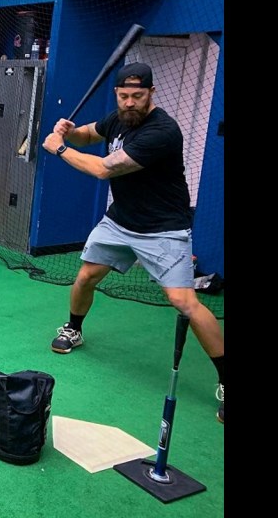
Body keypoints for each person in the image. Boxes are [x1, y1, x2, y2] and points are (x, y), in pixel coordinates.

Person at [41, 62, 225, 423]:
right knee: (85, 277)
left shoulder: (162, 132)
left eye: (137, 96)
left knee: (183, 301)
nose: (129, 103)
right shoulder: (118, 117)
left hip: (163, 228)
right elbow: (88, 136)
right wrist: (69, 131)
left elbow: (104, 169)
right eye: (124, 96)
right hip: (120, 221)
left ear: (151, 94)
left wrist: (58, 149)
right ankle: (74, 329)